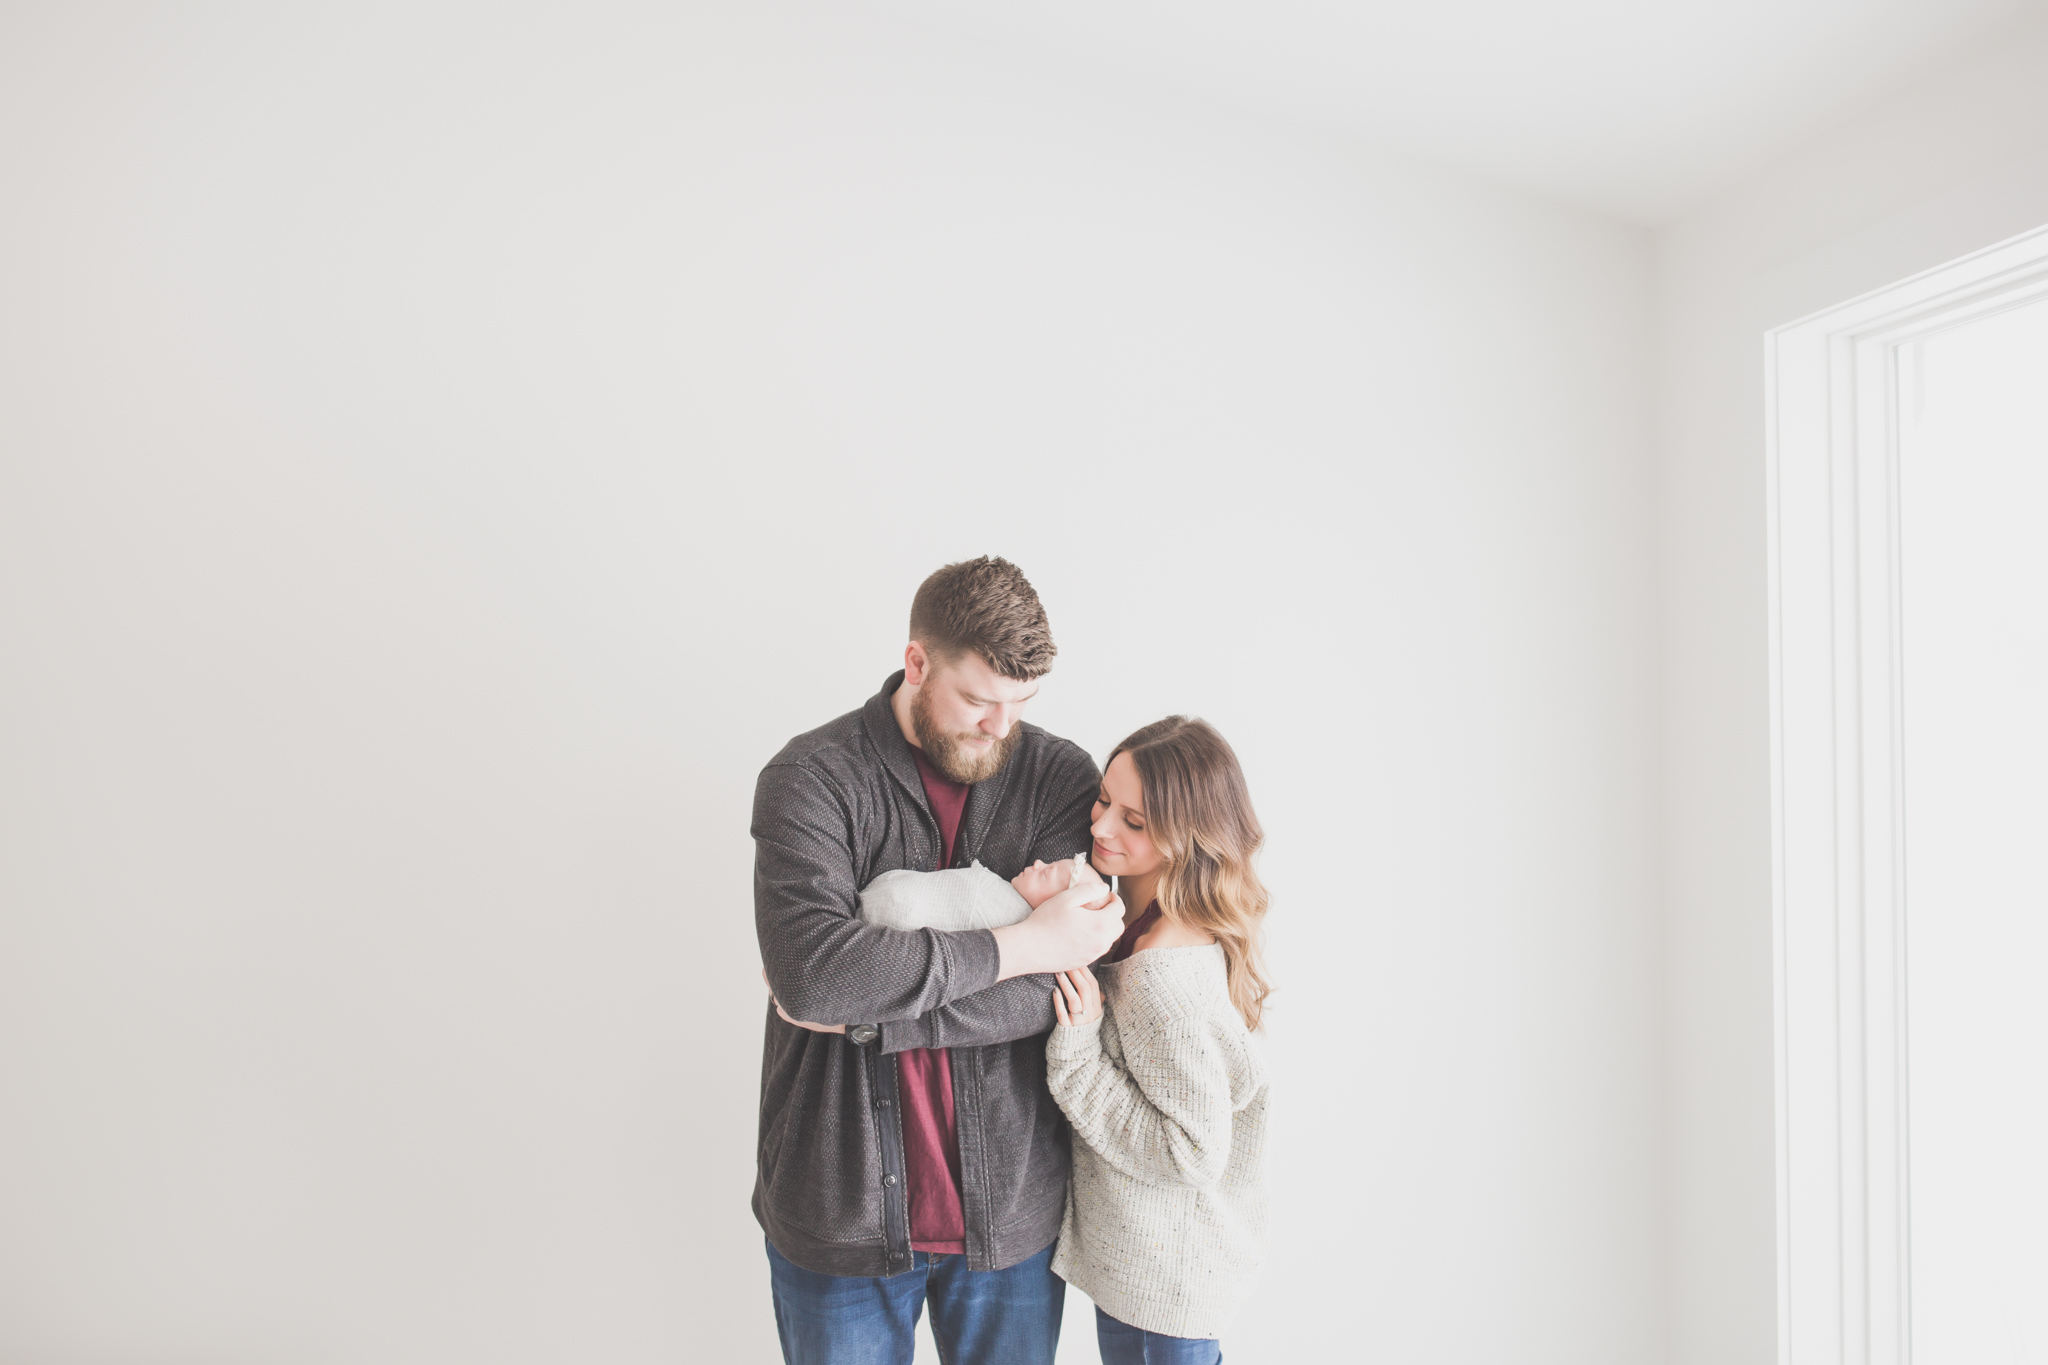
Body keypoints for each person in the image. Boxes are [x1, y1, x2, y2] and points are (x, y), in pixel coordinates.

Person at [752, 556, 1125, 1365]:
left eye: (1020, 704)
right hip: (837, 1211)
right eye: (978, 700)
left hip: (1013, 1217)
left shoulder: (1060, 776)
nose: (1000, 726)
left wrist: (864, 1018)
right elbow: (813, 973)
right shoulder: (810, 779)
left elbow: (1077, 985)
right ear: (917, 662)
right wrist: (1025, 945)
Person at [1045, 716, 1273, 1365]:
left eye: (1134, 821)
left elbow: (1193, 1150)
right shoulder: (1156, 922)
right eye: (1104, 800)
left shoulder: (1161, 974)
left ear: (1187, 834)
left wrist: (1080, 1051)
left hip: (1165, 1289)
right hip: (1165, 1276)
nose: (1101, 827)